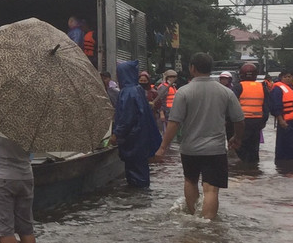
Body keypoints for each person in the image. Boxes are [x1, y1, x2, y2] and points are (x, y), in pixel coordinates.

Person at [153, 51, 244, 219]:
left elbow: (174, 123)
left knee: (190, 181)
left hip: (190, 149)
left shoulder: (183, 92)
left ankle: (195, 220)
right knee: (211, 189)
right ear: (210, 69)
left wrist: (163, 148)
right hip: (215, 149)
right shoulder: (225, 92)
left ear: (192, 68)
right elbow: (239, 119)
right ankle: (207, 224)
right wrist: (236, 138)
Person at [112, 59, 161, 187]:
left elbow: (127, 118)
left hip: (133, 140)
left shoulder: (128, 93)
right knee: (140, 172)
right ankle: (141, 201)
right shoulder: (137, 90)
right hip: (141, 139)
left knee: (135, 175)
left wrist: (116, 134)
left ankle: (138, 200)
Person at [236, 62, 269, 167]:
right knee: (254, 147)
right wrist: (264, 121)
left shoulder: (238, 87)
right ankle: (254, 168)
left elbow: (232, 105)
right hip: (257, 121)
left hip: (243, 121)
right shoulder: (262, 87)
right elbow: (266, 106)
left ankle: (245, 168)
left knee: (241, 146)